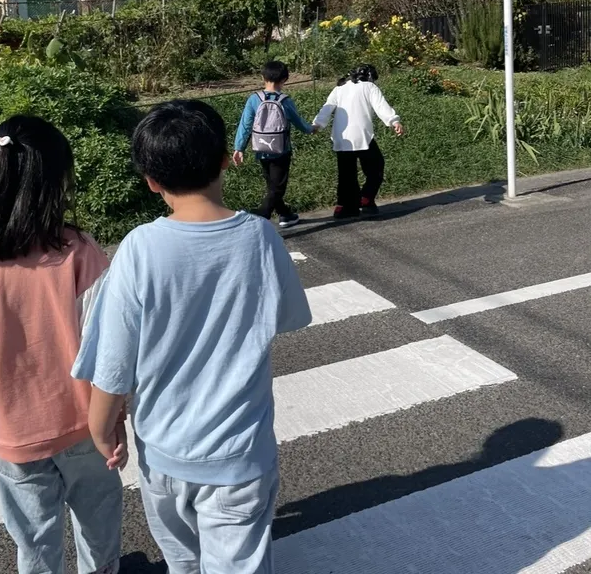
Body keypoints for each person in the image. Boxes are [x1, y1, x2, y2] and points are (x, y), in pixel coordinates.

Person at [73, 99, 312, 574]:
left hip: (163, 456)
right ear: (226, 159)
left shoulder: (140, 248)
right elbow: (287, 316)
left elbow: (114, 365)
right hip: (240, 456)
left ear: (152, 181)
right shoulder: (261, 238)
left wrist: (102, 431)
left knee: (182, 563)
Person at [0, 115, 123, 574]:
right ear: (55, 182)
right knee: (98, 524)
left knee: (34, 542)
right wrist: (117, 415)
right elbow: (110, 348)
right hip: (84, 424)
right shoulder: (79, 253)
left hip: (13, 432)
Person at [313, 64, 404, 219]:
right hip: (362, 136)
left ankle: (343, 207)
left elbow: (326, 108)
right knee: (376, 167)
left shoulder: (339, 88)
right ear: (369, 76)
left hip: (342, 138)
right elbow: (381, 106)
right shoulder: (369, 87)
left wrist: (317, 125)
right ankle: (366, 198)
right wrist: (394, 121)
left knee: (346, 174)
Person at [232, 60, 315, 228]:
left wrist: (238, 148)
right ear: (285, 79)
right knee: (277, 188)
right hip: (281, 150)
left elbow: (245, 125)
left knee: (272, 185)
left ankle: (286, 215)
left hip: (261, 148)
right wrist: (311, 129)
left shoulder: (254, 99)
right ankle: (260, 215)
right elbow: (299, 123)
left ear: (263, 77)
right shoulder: (285, 101)